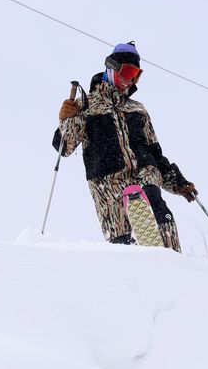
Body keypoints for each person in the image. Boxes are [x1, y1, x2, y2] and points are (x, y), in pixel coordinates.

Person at [53, 42, 197, 251]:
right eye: (128, 72)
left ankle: (171, 262)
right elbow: (64, 147)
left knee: (158, 211)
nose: (130, 81)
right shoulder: (86, 106)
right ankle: (132, 267)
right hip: (108, 181)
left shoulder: (137, 109)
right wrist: (68, 119)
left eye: (136, 76)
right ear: (111, 69)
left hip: (145, 175)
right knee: (123, 241)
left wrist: (177, 182)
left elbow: (155, 152)